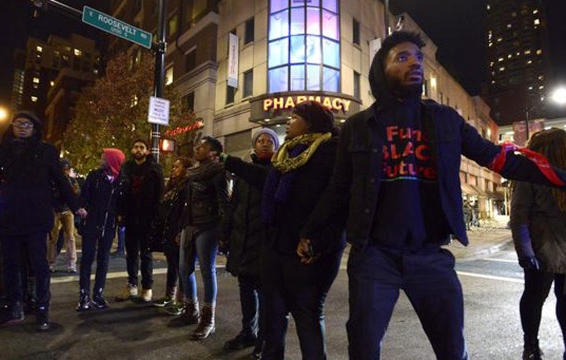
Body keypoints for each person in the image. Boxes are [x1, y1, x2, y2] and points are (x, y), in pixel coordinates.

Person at [298, 31, 566, 360]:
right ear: (381, 70)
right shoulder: (357, 126)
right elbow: (339, 189)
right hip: (373, 257)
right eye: (403, 57)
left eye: (419, 58)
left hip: (430, 256)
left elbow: (496, 158)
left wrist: (560, 178)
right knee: (364, 348)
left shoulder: (445, 119)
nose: (415, 63)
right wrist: (313, 232)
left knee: (452, 348)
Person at [221, 102, 345, 359]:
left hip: (308, 252)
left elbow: (337, 201)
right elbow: (264, 179)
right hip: (276, 247)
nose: (289, 122)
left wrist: (316, 240)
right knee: (273, 314)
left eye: (295, 117)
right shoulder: (286, 154)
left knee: (306, 313)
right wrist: (229, 161)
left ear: (310, 123)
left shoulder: (329, 151)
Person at [0, 110, 86, 331]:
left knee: (39, 265)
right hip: (8, 215)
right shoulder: (5, 150)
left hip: (35, 216)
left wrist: (77, 206)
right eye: (18, 123)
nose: (22, 127)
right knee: (10, 264)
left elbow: (61, 181)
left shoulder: (47, 151)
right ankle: (14, 306)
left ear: (35, 129)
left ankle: (42, 309)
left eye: (28, 124)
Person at [222, 128, 279, 357]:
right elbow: (234, 205)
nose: (264, 144)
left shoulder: (277, 171)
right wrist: (225, 233)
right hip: (243, 242)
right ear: (254, 146)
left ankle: (263, 341)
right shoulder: (243, 174)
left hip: (265, 245)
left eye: (269, 141)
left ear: (275, 147)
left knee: (266, 297)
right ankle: (249, 332)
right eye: (261, 141)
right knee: (246, 292)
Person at [510, 129, 566, 359]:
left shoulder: (530, 173)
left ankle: (531, 347)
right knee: (558, 300)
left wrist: (525, 253)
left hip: (541, 250)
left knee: (534, 298)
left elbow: (519, 217)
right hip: (547, 249)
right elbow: (519, 217)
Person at [171, 136, 229, 341]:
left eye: (202, 147)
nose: (197, 148)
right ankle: (190, 309)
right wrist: (181, 227)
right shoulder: (191, 173)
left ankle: (208, 319)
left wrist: (224, 232)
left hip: (208, 226)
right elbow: (185, 203)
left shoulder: (219, 172)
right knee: (184, 268)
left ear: (212, 151)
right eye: (197, 146)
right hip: (189, 225)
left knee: (207, 270)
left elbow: (224, 203)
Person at [76, 148, 126, 311]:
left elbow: (122, 204)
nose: (100, 160)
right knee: (87, 259)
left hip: (109, 224)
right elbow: (84, 196)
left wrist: (120, 217)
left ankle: (98, 294)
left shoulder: (121, 181)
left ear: (112, 161)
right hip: (91, 222)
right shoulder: (94, 176)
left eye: (104, 158)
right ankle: (84, 296)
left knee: (103, 260)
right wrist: (82, 208)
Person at [115, 138, 164, 302]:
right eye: (135, 147)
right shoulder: (127, 168)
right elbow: (121, 191)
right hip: (130, 216)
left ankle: (147, 288)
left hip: (147, 217)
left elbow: (159, 195)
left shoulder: (154, 169)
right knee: (131, 254)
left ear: (147, 151)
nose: (138, 149)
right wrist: (120, 212)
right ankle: (132, 285)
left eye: (141, 147)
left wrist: (156, 218)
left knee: (146, 254)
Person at [151, 157, 193, 316]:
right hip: (168, 230)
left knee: (181, 266)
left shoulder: (187, 186)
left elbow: (185, 211)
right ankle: (170, 295)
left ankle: (182, 301)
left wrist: (180, 230)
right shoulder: (173, 186)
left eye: (177, 167)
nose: (174, 169)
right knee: (172, 264)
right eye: (174, 167)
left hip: (178, 230)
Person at [48, 159, 80, 273]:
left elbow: (76, 194)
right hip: (56, 211)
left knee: (70, 237)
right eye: (63, 170)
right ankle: (51, 262)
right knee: (53, 238)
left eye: (67, 169)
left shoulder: (71, 181)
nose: (65, 172)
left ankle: (71, 263)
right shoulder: (53, 181)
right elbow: (50, 196)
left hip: (67, 211)